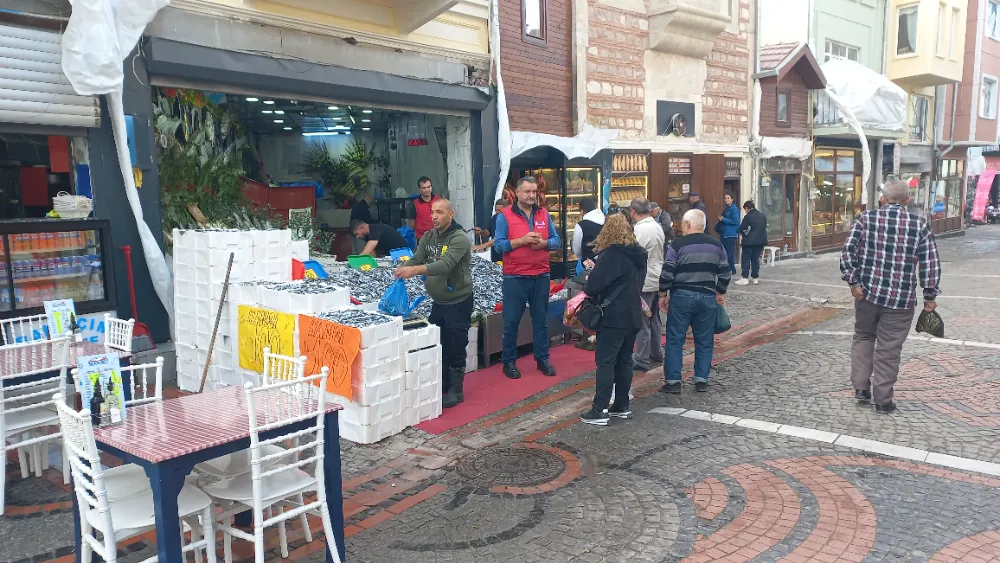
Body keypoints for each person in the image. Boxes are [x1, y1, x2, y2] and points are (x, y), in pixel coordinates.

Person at [841, 180, 941, 414]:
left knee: (864, 337)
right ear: (907, 201)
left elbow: (847, 251)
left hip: (866, 294)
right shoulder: (919, 225)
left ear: (882, 199)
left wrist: (854, 282)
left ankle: (861, 388)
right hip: (900, 299)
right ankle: (883, 400)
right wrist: (929, 295)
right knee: (889, 348)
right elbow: (930, 263)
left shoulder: (865, 219)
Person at [395, 199, 473, 409]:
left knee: (456, 344)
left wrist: (415, 270)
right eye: (432, 212)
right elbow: (418, 257)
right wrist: (404, 267)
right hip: (439, 302)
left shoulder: (460, 238)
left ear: (451, 214)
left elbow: (445, 265)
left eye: (440, 212)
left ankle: (456, 391)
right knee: (439, 342)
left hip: (458, 301)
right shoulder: (428, 236)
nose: (435, 217)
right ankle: (444, 384)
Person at [578, 214, 647, 426]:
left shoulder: (611, 254)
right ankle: (621, 405)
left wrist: (591, 275)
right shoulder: (639, 254)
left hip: (613, 316)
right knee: (625, 361)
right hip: (633, 314)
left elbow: (593, 287)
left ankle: (600, 409)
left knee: (606, 363)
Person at [493, 176, 561, 379]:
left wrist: (545, 244)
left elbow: (556, 240)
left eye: (534, 191)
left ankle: (543, 359)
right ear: (517, 193)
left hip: (541, 274)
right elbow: (498, 245)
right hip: (515, 277)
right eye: (527, 191)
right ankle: (509, 362)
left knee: (541, 321)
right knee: (511, 322)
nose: (532, 195)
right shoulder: (504, 216)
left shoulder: (543, 214)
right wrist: (521, 241)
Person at [658, 209, 731, 394]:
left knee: (675, 339)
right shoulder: (716, 245)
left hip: (681, 297)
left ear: (688, 224)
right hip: (707, 297)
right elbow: (725, 272)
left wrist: (662, 294)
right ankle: (701, 379)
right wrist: (720, 292)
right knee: (705, 339)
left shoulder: (678, 244)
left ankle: (673, 381)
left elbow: (668, 271)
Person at [628, 197, 665, 373]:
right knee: (654, 318)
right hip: (657, 276)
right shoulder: (656, 226)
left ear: (633, 211)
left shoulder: (640, 230)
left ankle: (642, 358)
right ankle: (656, 351)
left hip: (645, 280)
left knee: (642, 320)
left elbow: (635, 255)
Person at [734, 200, 767, 285]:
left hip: (749, 242)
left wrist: (742, 232)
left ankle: (745, 278)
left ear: (747, 208)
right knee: (755, 259)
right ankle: (755, 278)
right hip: (760, 241)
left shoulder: (748, 216)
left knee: (746, 259)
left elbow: (741, 228)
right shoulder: (762, 215)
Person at [572, 197, 605, 277]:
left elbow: (577, 249)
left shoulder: (581, 225)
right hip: (605, 264)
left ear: (582, 212)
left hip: (587, 265)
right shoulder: (607, 221)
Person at [406, 176, 441, 241]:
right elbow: (411, 224)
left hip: (439, 237)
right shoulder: (413, 204)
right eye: (424, 188)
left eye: (429, 187)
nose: (427, 190)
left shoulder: (439, 200)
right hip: (422, 239)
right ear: (419, 189)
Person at [717, 194, 740, 276]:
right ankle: (730, 269)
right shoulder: (726, 209)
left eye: (728, 198)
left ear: (732, 199)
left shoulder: (734, 209)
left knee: (729, 252)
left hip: (730, 234)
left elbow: (736, 221)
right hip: (725, 233)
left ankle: (730, 269)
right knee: (726, 252)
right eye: (725, 198)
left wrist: (723, 219)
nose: (726, 200)